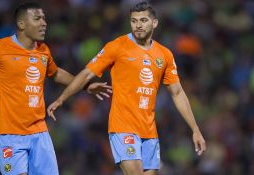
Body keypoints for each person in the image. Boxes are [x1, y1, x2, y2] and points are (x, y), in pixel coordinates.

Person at [47, 1, 206, 175]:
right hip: (122, 127)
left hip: (149, 131)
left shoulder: (165, 55)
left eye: (143, 20)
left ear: (154, 23)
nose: (138, 25)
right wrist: (62, 98)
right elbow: (86, 74)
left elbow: (177, 92)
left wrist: (195, 129)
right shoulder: (117, 46)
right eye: (134, 21)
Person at [0, 2, 111, 175]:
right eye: (37, 18)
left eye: (44, 18)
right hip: (10, 134)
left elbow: (56, 73)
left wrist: (86, 86)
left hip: (39, 132)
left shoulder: (43, 51)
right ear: (22, 24)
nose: (44, 23)